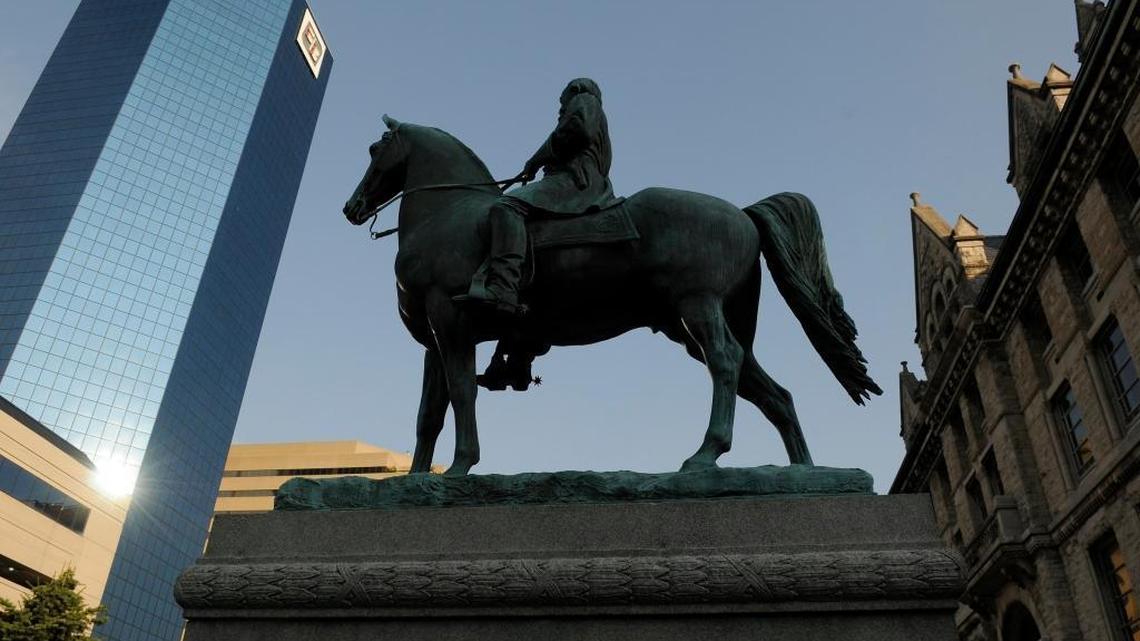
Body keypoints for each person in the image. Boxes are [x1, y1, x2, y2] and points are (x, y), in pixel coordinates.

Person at [455, 77, 621, 314]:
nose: (561, 107)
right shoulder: (592, 110)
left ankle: (504, 286)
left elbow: (577, 131)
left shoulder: (584, 99)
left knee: (507, 206)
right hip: (576, 178)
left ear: (573, 90)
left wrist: (538, 158)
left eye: (562, 101)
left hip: (575, 181)